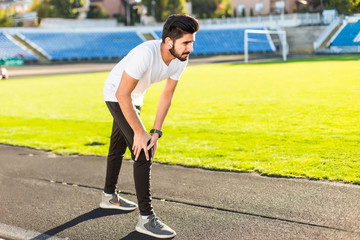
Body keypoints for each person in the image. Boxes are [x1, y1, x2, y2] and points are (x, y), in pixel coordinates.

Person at [100, 14, 199, 238]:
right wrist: (141, 133)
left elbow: (167, 95)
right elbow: (121, 94)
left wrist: (155, 130)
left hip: (135, 96)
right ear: (169, 42)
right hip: (117, 93)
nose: (190, 48)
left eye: (192, 42)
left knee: (118, 146)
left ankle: (108, 196)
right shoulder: (146, 53)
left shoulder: (180, 59)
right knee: (143, 149)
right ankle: (146, 219)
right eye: (186, 42)